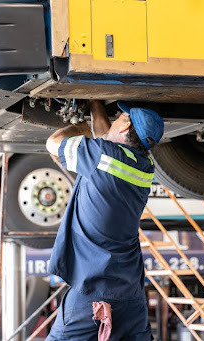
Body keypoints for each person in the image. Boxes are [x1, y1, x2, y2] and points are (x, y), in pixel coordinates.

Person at [45, 100, 164, 341]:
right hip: (123, 296)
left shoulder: (101, 155)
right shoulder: (143, 166)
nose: (116, 118)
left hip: (98, 291)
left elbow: (53, 142)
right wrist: (94, 103)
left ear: (124, 128)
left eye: (120, 116)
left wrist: (81, 129)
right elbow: (104, 137)